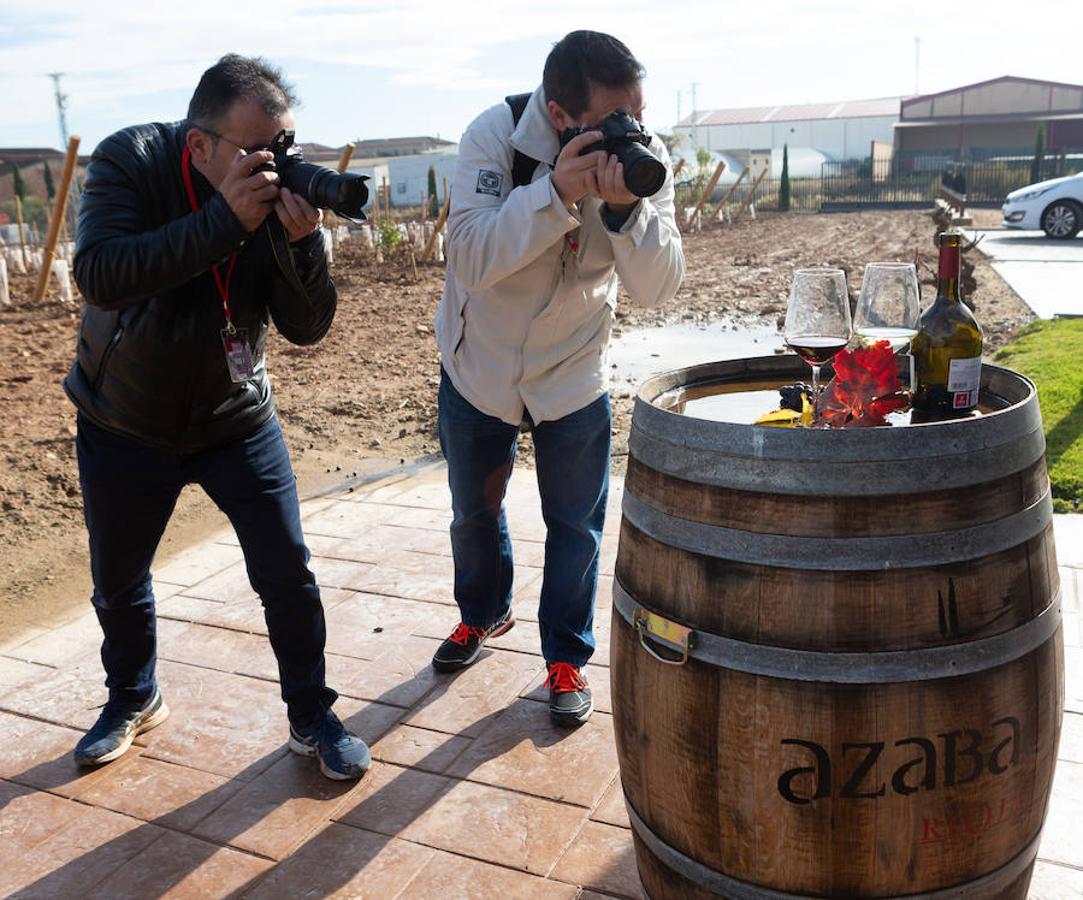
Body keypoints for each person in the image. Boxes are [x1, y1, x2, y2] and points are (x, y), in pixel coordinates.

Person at [64, 54, 369, 780]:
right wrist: (221, 222)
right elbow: (100, 273)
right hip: (126, 418)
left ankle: (311, 712)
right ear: (199, 145)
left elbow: (306, 328)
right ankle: (133, 696)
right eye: (258, 151)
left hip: (236, 416)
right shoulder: (129, 160)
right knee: (120, 577)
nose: (275, 164)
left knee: (287, 571)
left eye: (285, 147)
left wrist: (305, 247)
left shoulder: (273, 194)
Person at [432, 31, 684, 726]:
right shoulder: (494, 137)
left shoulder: (643, 157)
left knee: (575, 526)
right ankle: (481, 614)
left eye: (635, 115)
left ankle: (565, 657)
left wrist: (629, 212)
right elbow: (471, 258)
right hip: (476, 364)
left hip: (572, 371)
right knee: (472, 513)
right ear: (557, 113)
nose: (628, 133)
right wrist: (554, 193)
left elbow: (660, 287)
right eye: (611, 120)